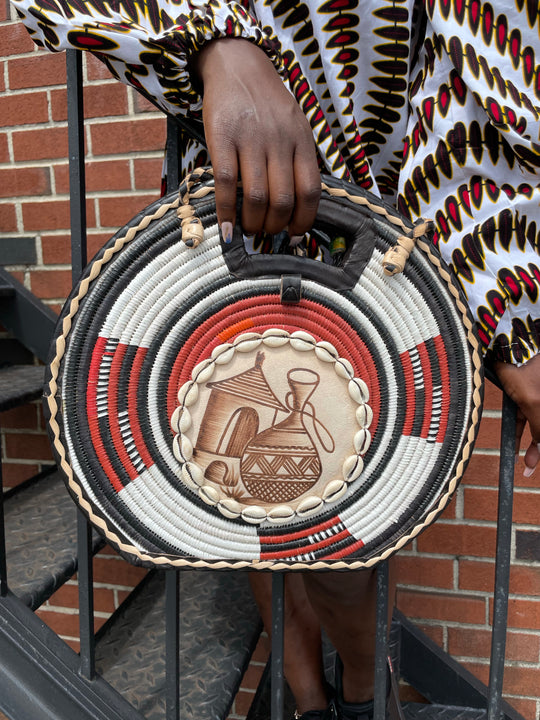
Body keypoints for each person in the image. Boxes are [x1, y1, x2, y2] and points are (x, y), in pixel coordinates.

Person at [12, 0, 540, 717]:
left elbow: (482, 75)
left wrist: (505, 311)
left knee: (342, 526)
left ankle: (359, 686)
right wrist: (216, 43)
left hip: (371, 248)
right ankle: (308, 700)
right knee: (244, 511)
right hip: (233, 204)